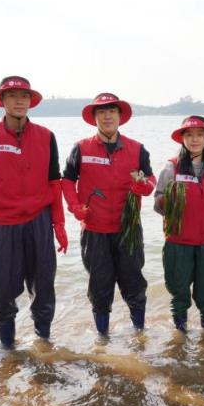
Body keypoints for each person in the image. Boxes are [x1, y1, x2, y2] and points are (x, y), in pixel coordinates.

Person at [0, 75, 68, 348]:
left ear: (31, 101)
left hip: (39, 219)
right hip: (0, 223)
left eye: (24, 95)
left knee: (44, 284)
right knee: (1, 288)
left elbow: (54, 183)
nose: (19, 100)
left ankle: (44, 343)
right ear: (2, 101)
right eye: (12, 95)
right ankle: (7, 349)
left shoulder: (47, 137)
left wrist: (59, 225)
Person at [61, 92, 156, 336]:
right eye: (101, 112)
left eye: (111, 111)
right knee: (100, 289)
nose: (107, 116)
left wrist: (141, 184)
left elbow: (150, 182)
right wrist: (75, 207)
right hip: (95, 232)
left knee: (134, 286)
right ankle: (102, 340)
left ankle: (139, 335)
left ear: (120, 117)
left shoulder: (137, 149)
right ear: (94, 118)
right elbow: (68, 181)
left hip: (129, 230)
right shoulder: (81, 148)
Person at [153, 116, 204, 333]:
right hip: (178, 241)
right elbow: (158, 204)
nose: (194, 139)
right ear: (182, 138)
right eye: (189, 135)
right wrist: (169, 198)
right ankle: (180, 336)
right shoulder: (171, 167)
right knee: (179, 292)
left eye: (199, 135)